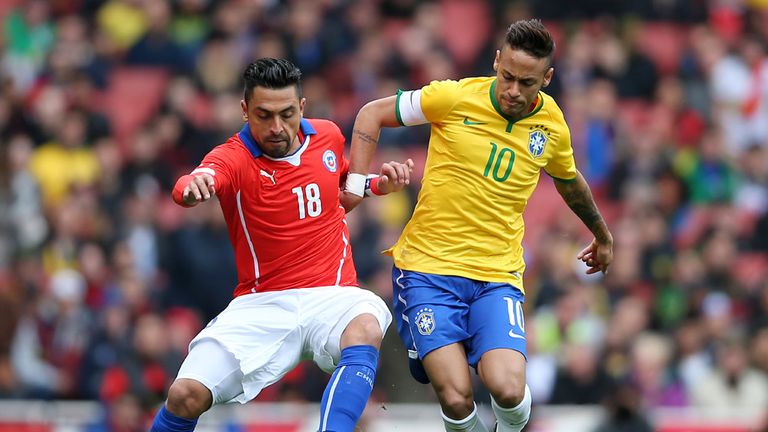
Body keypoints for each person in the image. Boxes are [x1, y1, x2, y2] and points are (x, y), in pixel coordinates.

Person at [342, 19, 614, 432]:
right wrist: (357, 184)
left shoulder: (552, 124)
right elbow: (372, 112)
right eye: (507, 77)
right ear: (496, 60)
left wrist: (601, 232)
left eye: (527, 83)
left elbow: (567, 178)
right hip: (427, 271)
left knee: (508, 389)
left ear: (548, 78)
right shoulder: (452, 97)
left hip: (496, 275)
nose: (513, 91)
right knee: (456, 395)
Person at [150, 58, 414, 432]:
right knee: (184, 395)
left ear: (302, 108)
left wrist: (377, 185)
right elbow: (193, 181)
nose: (277, 127)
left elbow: (335, 186)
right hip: (263, 302)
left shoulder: (326, 137)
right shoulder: (233, 157)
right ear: (245, 111)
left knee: (365, 326)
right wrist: (191, 189)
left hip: (331, 293)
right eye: (264, 115)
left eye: (287, 114)